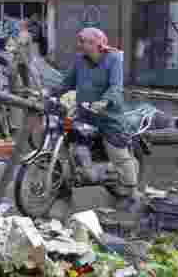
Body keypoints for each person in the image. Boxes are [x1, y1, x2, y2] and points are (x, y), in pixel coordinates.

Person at [55, 28, 138, 200]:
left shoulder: (113, 59)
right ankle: (66, 183)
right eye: (80, 41)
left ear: (96, 43)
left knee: (119, 155)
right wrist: (47, 93)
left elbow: (116, 87)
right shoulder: (79, 60)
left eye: (84, 41)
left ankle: (132, 191)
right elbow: (66, 84)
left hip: (109, 116)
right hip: (85, 114)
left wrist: (104, 102)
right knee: (67, 144)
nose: (80, 45)